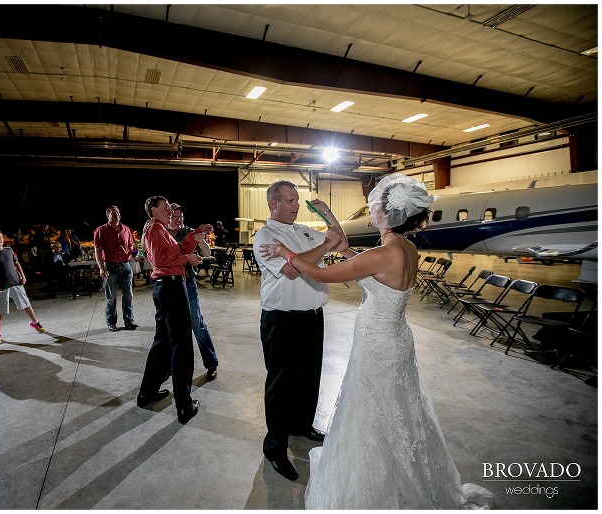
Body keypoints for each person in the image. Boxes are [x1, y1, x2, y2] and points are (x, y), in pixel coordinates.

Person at [259, 174, 493, 508]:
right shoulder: (406, 248)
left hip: (377, 343)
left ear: (387, 214)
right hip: (395, 339)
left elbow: (324, 274)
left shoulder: (383, 253)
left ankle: (377, 477)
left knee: (371, 406)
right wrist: (335, 235)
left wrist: (285, 251)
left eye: (376, 206)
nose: (372, 209)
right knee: (397, 406)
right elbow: (365, 264)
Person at [251, 180, 348, 481]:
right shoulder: (265, 236)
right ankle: (275, 446)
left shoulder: (304, 231)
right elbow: (293, 270)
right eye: (290, 200)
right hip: (282, 319)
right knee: (281, 385)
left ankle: (302, 426)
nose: (296, 205)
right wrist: (324, 246)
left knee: (309, 377)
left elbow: (341, 243)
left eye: (297, 200)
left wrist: (328, 213)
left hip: (312, 316)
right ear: (273, 203)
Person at [137, 195, 212, 424]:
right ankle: (184, 406)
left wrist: (195, 233)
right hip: (170, 287)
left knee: (162, 343)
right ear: (153, 209)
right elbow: (162, 260)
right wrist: (186, 259)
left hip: (165, 288)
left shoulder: (159, 230)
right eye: (166, 207)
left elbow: (176, 248)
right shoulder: (154, 229)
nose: (170, 210)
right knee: (182, 347)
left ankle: (147, 393)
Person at [167, 203, 219, 380]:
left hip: (187, 281)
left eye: (181, 216)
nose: (178, 220)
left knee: (196, 322)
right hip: (169, 283)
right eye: (175, 216)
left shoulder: (189, 231)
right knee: (170, 326)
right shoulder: (161, 233)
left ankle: (211, 363)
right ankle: (169, 366)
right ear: (168, 216)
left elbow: (206, 252)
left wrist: (201, 241)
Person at [0, 230, 46, 345]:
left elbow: (16, 264)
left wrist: (22, 276)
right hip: (1, 286)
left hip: (15, 282)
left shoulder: (8, 250)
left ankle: (35, 322)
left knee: (26, 303)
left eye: (0, 237)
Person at [94, 206, 138, 332]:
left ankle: (129, 321)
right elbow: (98, 250)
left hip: (125, 266)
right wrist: (101, 268)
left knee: (128, 295)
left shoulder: (126, 229)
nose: (116, 215)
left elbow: (130, 247)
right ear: (107, 215)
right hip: (110, 267)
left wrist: (136, 253)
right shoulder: (101, 230)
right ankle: (111, 322)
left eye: (118, 213)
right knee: (111, 296)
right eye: (113, 213)